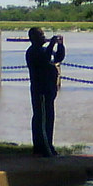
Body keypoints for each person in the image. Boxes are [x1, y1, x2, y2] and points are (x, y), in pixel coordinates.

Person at [25, 27, 65, 157]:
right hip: (40, 91)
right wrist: (51, 43)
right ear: (33, 38)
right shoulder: (33, 52)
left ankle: (47, 146)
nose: (43, 37)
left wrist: (60, 45)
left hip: (49, 91)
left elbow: (57, 58)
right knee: (42, 121)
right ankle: (45, 149)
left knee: (49, 120)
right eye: (40, 35)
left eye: (43, 34)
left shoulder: (44, 50)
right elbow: (44, 58)